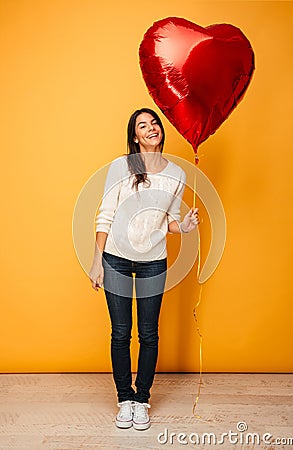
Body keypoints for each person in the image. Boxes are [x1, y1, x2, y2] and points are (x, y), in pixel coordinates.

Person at [89, 108, 199, 430]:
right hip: (116, 257)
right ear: (135, 136)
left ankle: (142, 399)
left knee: (149, 333)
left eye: (154, 123)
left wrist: (185, 226)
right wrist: (97, 261)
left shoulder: (177, 174)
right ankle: (124, 399)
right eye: (143, 125)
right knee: (121, 332)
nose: (151, 128)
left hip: (153, 260)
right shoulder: (120, 168)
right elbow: (104, 215)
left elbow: (168, 222)